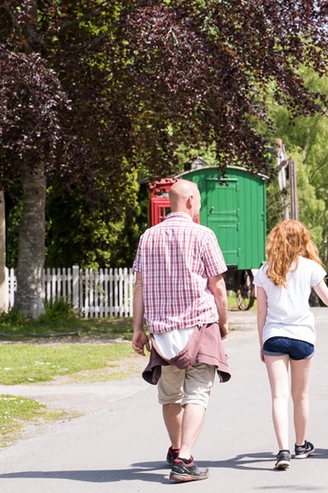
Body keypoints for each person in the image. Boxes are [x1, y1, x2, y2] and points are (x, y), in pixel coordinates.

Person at [131, 179, 230, 483]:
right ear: (189, 201)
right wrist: (223, 323)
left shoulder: (148, 237)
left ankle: (176, 449)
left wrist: (137, 329)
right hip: (198, 325)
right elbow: (218, 286)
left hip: (162, 334)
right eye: (198, 200)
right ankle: (185, 459)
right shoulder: (203, 235)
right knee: (198, 392)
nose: (199, 205)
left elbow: (140, 285)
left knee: (170, 394)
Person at [254, 219, 328, 470]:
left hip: (274, 336)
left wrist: (261, 342)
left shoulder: (264, 270)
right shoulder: (310, 267)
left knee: (278, 396)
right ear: (303, 240)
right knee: (301, 395)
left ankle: (283, 451)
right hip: (303, 337)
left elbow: (261, 313)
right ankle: (300, 446)